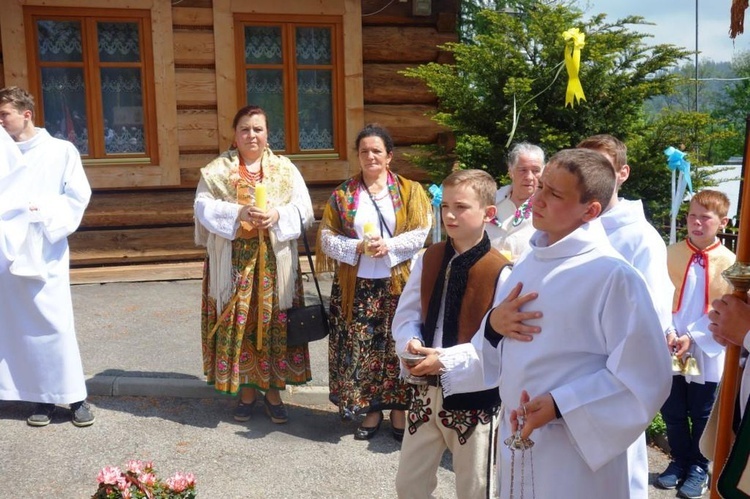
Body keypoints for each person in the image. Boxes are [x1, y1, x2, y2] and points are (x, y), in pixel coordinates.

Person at [443, 148, 672, 498]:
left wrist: (562, 405)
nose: (538, 198)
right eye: (541, 187)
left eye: (554, 193)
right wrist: (493, 325)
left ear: (590, 210)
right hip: (519, 433)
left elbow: (644, 376)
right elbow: (504, 343)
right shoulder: (528, 261)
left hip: (576, 449)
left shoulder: (613, 276)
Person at [391, 169, 510, 498]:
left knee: (474, 488)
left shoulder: (500, 271)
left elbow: (498, 343)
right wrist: (409, 340)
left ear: (488, 213)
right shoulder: (429, 258)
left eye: (461, 207)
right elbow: (408, 312)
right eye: (445, 207)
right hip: (425, 395)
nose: (450, 215)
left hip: (474, 397)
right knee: (409, 485)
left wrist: (445, 360)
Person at [194, 105, 314, 424]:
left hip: (275, 264)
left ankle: (274, 393)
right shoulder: (218, 171)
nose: (251, 135)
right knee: (241, 325)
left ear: (267, 134)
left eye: (258, 129)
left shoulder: (285, 169)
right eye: (245, 129)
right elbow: (202, 207)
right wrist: (238, 214)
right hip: (234, 262)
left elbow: (304, 210)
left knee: (275, 324)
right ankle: (246, 392)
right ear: (234, 135)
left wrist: (276, 216)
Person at [316, 123, 432, 440]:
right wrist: (356, 247)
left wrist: (389, 245)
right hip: (359, 287)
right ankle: (371, 411)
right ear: (358, 155)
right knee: (362, 349)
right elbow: (326, 238)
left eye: (376, 151)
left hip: (398, 285)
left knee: (398, 347)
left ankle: (398, 411)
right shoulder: (343, 195)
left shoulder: (410, 191)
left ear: (389, 156)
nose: (370, 156)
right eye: (364, 151)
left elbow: (423, 229)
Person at [577, 134, 675, 498]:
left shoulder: (640, 238)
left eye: (601, 165)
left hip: (611, 378)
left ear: (623, 173)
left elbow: (651, 316)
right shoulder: (574, 224)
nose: (590, 175)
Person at [0, 86, 95, 427]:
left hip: (44, 246)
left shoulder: (60, 151)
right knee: (17, 327)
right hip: (7, 250)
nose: (0, 121)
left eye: (4, 114)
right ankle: (41, 399)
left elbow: (77, 196)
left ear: (26, 114)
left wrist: (41, 211)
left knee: (54, 323)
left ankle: (75, 397)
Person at [655, 190, 735, 498]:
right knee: (672, 407)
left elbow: (726, 304)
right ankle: (679, 460)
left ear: (722, 222)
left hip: (705, 346)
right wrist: (669, 331)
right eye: (692, 216)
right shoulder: (670, 253)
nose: (697, 223)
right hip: (672, 343)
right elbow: (659, 295)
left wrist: (694, 335)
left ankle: (700, 466)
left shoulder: (729, 261)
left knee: (702, 409)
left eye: (705, 218)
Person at [485, 142, 544, 260]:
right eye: (523, 170)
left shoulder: (547, 209)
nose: (529, 177)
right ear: (511, 171)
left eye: (536, 170)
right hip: (489, 273)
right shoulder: (490, 202)